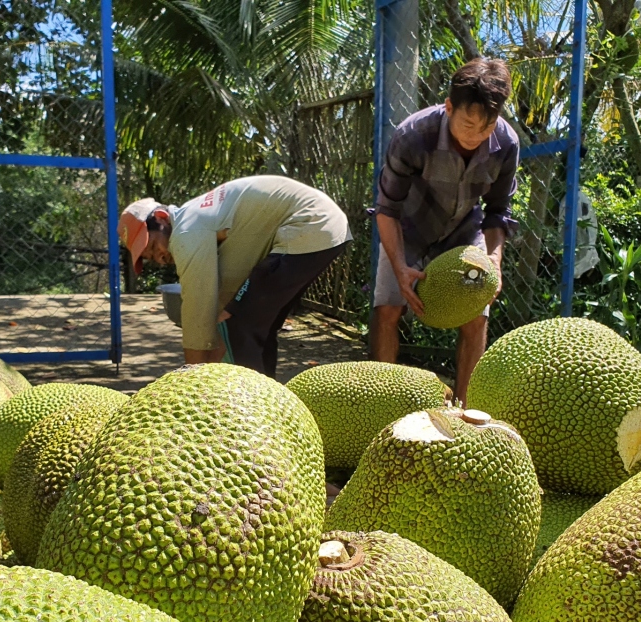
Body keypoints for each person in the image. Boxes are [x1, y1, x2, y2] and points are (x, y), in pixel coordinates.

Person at [371, 57, 520, 405]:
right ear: (449, 106)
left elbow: (498, 213)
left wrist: (494, 260)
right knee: (388, 307)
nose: (476, 136)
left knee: (475, 316)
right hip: (407, 227)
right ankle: (380, 402)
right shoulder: (413, 134)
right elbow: (387, 210)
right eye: (468, 124)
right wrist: (399, 268)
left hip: (464, 230)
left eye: (486, 128)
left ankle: (465, 410)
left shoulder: (507, 143)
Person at [119, 175, 352, 376]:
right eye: (149, 257)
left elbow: (197, 312)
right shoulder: (197, 217)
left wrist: (190, 380)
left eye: (152, 246)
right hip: (322, 227)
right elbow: (225, 288)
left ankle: (250, 409)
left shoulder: (186, 231)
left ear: (160, 218)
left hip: (308, 225)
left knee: (238, 324)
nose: (158, 257)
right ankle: (267, 402)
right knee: (257, 324)